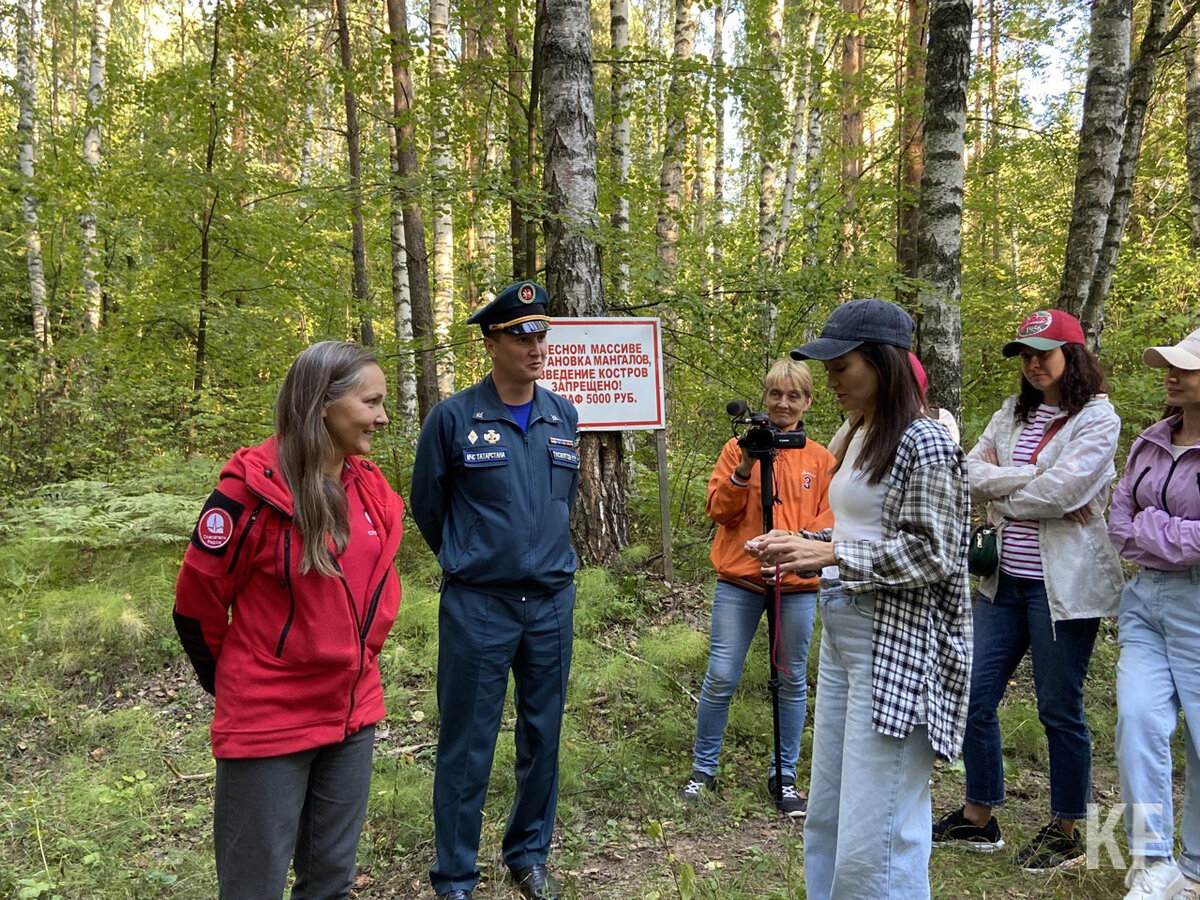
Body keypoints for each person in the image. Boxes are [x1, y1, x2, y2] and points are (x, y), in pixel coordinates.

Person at [748, 298, 972, 900]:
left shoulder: (924, 441)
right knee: (831, 809)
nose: (830, 381)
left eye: (841, 367)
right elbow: (863, 532)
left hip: (897, 642)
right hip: (848, 637)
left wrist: (831, 556)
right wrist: (802, 540)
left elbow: (936, 554)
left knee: (879, 826)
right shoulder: (866, 434)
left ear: (882, 363)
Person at [173, 341, 403, 900]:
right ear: (323, 404)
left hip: (352, 716)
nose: (383, 416)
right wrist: (237, 683)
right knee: (253, 886)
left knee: (330, 883)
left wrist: (359, 665)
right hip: (268, 723)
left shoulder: (369, 485)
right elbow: (195, 605)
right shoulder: (245, 494)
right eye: (371, 402)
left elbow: (375, 588)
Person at [933, 309, 1124, 871]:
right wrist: (1032, 479)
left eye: (1044, 352)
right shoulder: (1012, 413)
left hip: (1061, 589)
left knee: (1059, 708)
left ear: (1074, 355)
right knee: (972, 694)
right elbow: (966, 473)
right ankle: (979, 818)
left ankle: (1068, 827)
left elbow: (1063, 494)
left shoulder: (1096, 417)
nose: (1034, 363)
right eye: (1026, 354)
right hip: (1002, 583)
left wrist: (1010, 488)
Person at [410, 281, 579, 900]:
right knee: (468, 739)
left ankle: (528, 854)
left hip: (551, 605)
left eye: (541, 334)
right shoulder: (454, 418)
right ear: (491, 342)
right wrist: (470, 558)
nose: (536, 347)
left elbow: (563, 503)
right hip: (479, 605)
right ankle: (455, 874)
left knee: (543, 733)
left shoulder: (564, 415)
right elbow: (428, 505)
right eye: (520, 335)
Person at [678, 358, 835, 816]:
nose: (783, 404)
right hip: (740, 581)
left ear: (808, 402)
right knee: (722, 674)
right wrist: (746, 463)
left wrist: (793, 550)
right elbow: (718, 510)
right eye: (775, 395)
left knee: (790, 679)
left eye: (794, 396)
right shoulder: (736, 448)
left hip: (797, 585)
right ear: (764, 398)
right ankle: (703, 769)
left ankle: (784, 774)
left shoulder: (821, 458)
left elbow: (831, 520)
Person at [1109, 328, 1200, 900]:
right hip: (1146, 601)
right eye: (1168, 365)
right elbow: (1119, 521)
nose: (1169, 373)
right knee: (1136, 720)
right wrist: (1165, 535)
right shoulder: (1151, 441)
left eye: (1183, 367)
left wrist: (1151, 529)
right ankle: (1151, 860)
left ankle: (1193, 867)